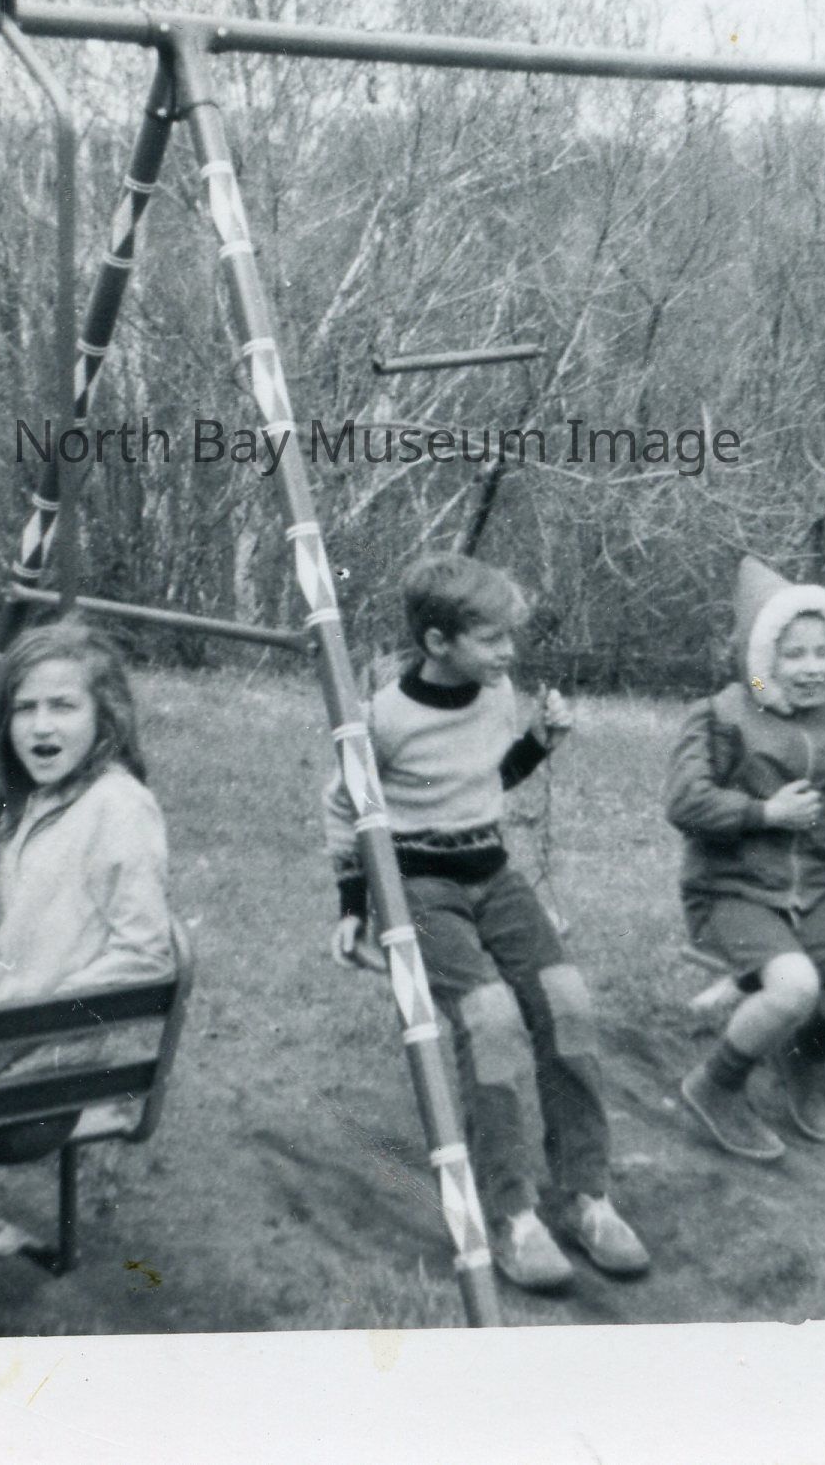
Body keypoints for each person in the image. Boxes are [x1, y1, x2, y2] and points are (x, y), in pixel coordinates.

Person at [326, 552, 650, 1295]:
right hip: (418, 883)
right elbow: (343, 810)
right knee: (491, 1019)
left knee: (566, 1003)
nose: (509, 653)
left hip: (491, 873)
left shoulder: (497, 693)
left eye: (510, 637)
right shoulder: (381, 720)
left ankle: (585, 1194)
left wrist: (538, 741)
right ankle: (510, 1213)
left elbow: (486, 778)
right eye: (492, 638)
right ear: (438, 642)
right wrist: (351, 910)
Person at [667, 557, 825, 1159]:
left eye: (824, 651)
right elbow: (685, 801)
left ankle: (802, 1059)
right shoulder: (723, 714)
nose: (813, 667)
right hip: (732, 891)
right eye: (793, 654)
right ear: (762, 658)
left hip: (808, 893)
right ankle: (715, 1085)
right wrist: (763, 814)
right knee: (793, 986)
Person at [0, 620, 176, 1162]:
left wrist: (16, 1036)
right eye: (24, 708)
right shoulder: (26, 804)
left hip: (38, 1080)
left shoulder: (118, 807)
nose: (40, 727)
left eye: (63, 706)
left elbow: (145, 957)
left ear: (105, 715)